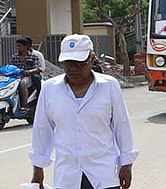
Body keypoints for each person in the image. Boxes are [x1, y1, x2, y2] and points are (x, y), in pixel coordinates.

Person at [29, 34, 138, 189]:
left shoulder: (109, 86)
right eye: (68, 63)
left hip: (103, 174)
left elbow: (122, 125)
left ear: (92, 59)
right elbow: (42, 129)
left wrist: (126, 164)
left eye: (80, 63)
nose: (73, 68)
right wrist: (37, 169)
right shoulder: (50, 89)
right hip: (67, 177)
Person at [9, 37, 41, 111]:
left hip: (28, 78)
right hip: (15, 77)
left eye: (19, 46)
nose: (18, 47)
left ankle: (24, 105)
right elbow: (10, 67)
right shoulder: (14, 57)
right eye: (17, 46)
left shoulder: (33, 56)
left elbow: (38, 68)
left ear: (25, 46)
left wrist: (29, 72)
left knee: (22, 83)